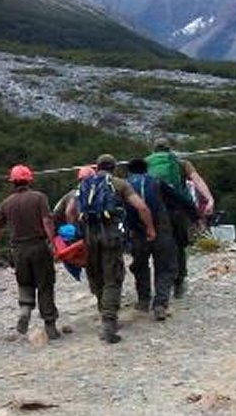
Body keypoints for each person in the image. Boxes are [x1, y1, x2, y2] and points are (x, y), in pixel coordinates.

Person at [62, 154, 155, 343]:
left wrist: (76, 232)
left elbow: (69, 211)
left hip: (88, 236)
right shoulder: (119, 184)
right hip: (111, 236)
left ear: (97, 168)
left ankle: (103, 311)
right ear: (114, 168)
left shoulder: (84, 184)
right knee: (113, 277)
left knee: (96, 275)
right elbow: (142, 207)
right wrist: (150, 228)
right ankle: (109, 322)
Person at [0, 164, 62, 340]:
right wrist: (54, 243)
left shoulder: (6, 203)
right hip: (39, 247)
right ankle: (50, 325)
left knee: (25, 282)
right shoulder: (39, 198)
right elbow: (47, 222)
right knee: (45, 285)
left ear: (13, 182)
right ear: (29, 180)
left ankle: (25, 310)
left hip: (18, 251)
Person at [146, 138, 214, 299]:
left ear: (154, 150)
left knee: (160, 247)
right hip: (177, 211)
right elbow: (197, 181)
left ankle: (162, 286)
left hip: (155, 212)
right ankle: (179, 283)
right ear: (169, 149)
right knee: (179, 246)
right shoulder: (181, 163)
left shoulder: (146, 163)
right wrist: (209, 199)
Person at [125, 158, 177, 321]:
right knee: (164, 266)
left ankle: (143, 300)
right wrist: (195, 216)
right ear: (146, 169)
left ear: (129, 171)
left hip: (137, 232)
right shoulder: (157, 182)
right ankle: (160, 304)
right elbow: (178, 199)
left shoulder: (125, 185)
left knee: (140, 265)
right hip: (161, 229)